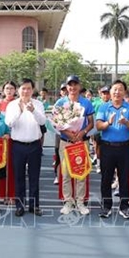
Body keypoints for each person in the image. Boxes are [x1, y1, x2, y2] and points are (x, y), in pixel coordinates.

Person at [95, 80, 129, 219]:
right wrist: (108, 123)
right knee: (106, 178)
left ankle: (124, 207)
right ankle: (106, 206)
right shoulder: (104, 107)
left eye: (120, 90)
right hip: (107, 147)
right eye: (114, 89)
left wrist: (125, 122)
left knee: (124, 178)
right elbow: (98, 126)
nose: (117, 92)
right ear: (110, 92)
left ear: (124, 92)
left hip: (124, 148)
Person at [5, 78, 46, 216]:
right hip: (18, 145)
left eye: (29, 88)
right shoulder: (12, 105)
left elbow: (43, 121)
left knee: (34, 176)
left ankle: (34, 206)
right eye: (23, 88)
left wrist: (33, 110)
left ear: (33, 90)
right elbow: (9, 123)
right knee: (19, 177)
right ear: (18, 90)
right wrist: (20, 111)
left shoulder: (38, 104)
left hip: (35, 144)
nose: (26, 91)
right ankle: (19, 205)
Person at [55, 75, 95, 216]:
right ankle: (68, 201)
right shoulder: (60, 103)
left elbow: (91, 122)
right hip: (66, 142)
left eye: (75, 85)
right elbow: (57, 123)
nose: (73, 88)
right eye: (70, 85)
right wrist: (68, 132)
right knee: (65, 173)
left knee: (81, 173)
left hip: (81, 142)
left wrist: (82, 132)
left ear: (79, 86)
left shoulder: (86, 103)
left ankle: (80, 202)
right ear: (66, 87)